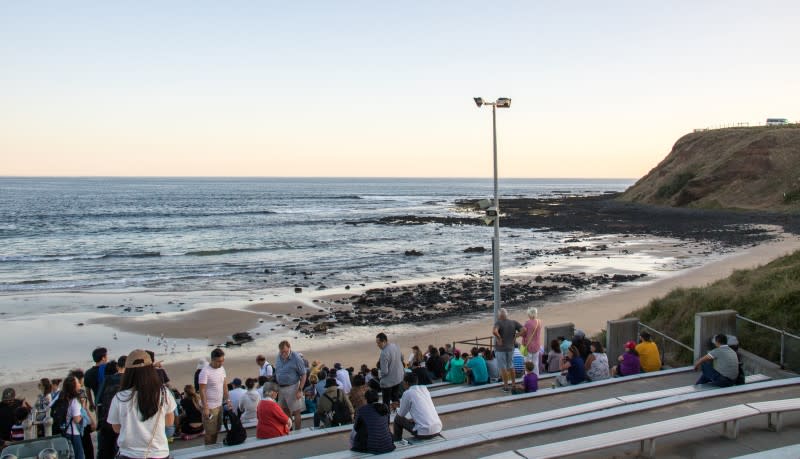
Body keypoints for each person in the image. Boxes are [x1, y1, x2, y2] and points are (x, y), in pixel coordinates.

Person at [107, 350, 176, 459]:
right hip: (158, 452)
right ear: (151, 370)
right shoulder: (163, 393)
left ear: (128, 372)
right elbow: (169, 422)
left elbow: (116, 428)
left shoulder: (120, 397)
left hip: (129, 454)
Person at [392, 373, 442, 442]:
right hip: (437, 429)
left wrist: (396, 407)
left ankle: (397, 439)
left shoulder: (407, 393)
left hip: (423, 433)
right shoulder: (425, 390)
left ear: (406, 382)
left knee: (398, 418)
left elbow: (401, 414)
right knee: (412, 420)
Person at [96, 355, 126, 459]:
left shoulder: (108, 379)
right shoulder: (129, 381)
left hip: (107, 421)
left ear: (118, 366)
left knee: (106, 451)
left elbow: (98, 400)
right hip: (123, 422)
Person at [198, 348, 229, 445]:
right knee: (209, 432)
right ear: (212, 360)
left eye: (222, 360)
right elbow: (202, 390)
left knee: (217, 430)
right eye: (219, 361)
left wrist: (227, 399)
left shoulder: (222, 369)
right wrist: (206, 407)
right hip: (210, 407)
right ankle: (208, 450)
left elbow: (224, 385)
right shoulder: (205, 372)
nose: (221, 363)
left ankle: (212, 448)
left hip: (219, 405)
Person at [274, 340, 306, 431]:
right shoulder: (278, 356)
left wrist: (300, 390)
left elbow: (303, 374)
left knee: (296, 411)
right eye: (281, 351)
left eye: (285, 351)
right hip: (281, 388)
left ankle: (298, 432)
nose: (283, 353)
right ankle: (290, 430)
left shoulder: (296, 358)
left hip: (293, 387)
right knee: (285, 411)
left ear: (289, 348)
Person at [350, 389, 394, 454]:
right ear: (377, 398)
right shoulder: (384, 407)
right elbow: (386, 425)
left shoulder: (362, 410)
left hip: (372, 447)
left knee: (354, 434)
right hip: (388, 444)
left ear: (366, 399)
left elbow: (356, 428)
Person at [492, 308, 523, 392]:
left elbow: (494, 331)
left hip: (500, 349)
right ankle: (513, 384)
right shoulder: (513, 322)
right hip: (511, 348)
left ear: (499, 315)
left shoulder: (498, 323)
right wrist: (516, 336)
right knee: (511, 366)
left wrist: (499, 338)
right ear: (506, 315)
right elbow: (524, 330)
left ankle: (506, 386)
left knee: (503, 368)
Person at [60, 376, 86, 459]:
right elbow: (77, 419)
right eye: (77, 382)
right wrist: (83, 411)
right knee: (79, 456)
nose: (79, 384)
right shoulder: (75, 401)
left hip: (68, 431)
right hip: (74, 433)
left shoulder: (67, 398)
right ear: (74, 386)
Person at [375, 333, 404, 407]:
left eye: (378, 343)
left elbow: (384, 371)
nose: (377, 345)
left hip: (388, 382)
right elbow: (402, 358)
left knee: (386, 402)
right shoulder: (395, 346)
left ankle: (387, 416)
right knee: (395, 397)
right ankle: (398, 413)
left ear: (384, 341)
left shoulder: (384, 353)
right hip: (398, 377)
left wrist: (379, 376)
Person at [520, 307, 544, 374]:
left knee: (527, 363)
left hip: (528, 345)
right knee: (535, 362)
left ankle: (528, 376)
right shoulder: (539, 322)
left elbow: (523, 334)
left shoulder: (527, 323)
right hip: (537, 345)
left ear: (529, 314)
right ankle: (536, 376)